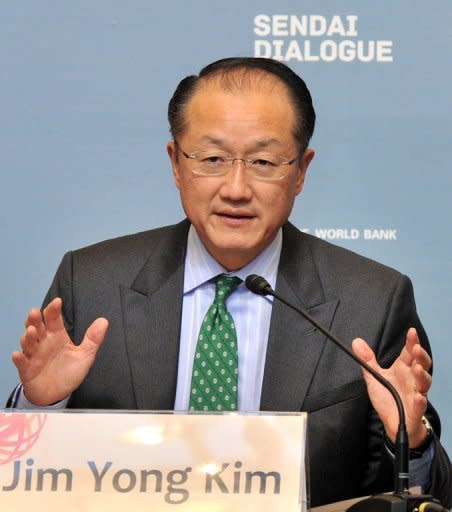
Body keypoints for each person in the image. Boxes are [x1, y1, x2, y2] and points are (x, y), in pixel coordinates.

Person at [7, 57, 451, 507]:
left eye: (263, 161)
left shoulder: (372, 301)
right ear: (176, 164)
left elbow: (425, 499)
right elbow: (36, 489)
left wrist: (409, 441)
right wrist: (41, 408)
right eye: (213, 159)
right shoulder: (92, 283)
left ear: (300, 171)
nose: (236, 188)